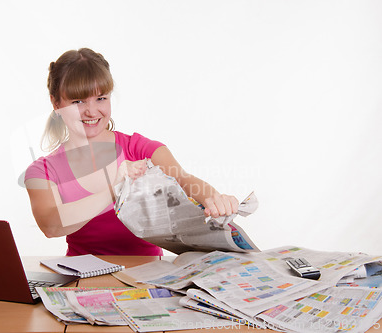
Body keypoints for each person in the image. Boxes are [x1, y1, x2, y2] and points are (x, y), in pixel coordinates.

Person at [24, 48, 239, 256]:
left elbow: (183, 180)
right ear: (56, 102)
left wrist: (215, 199)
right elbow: (51, 225)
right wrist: (115, 189)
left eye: (101, 98)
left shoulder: (138, 148)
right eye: (78, 101)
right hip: (82, 280)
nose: (91, 111)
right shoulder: (42, 170)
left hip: (147, 277)